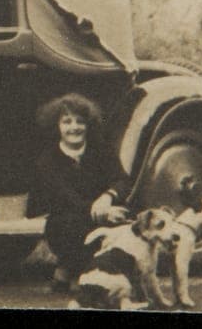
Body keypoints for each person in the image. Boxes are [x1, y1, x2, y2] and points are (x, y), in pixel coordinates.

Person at [26, 92, 131, 293]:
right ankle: (70, 270)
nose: (74, 127)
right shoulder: (47, 161)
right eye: (67, 122)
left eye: (80, 122)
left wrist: (108, 196)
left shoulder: (100, 150)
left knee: (130, 217)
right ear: (57, 126)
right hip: (67, 221)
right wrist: (100, 210)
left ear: (88, 124)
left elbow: (123, 180)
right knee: (71, 224)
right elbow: (66, 198)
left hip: (102, 210)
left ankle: (109, 274)